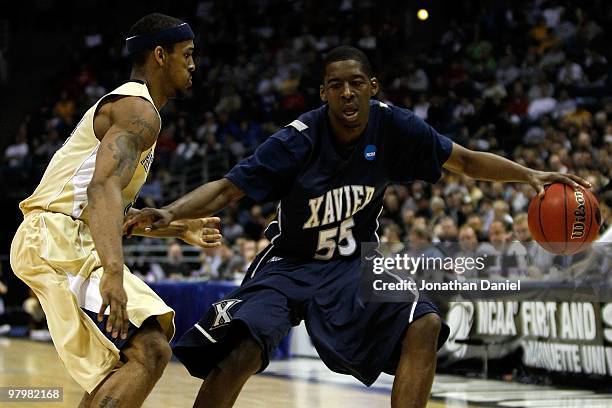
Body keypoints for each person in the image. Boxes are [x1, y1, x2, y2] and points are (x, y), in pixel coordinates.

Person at [127, 45, 590, 408]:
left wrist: (527, 174)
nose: (347, 93)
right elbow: (229, 188)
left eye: (355, 84)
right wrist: (171, 213)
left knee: (425, 325)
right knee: (243, 348)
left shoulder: (396, 127)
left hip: (353, 266)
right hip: (291, 261)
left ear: (372, 87)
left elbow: (465, 161)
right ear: (323, 93)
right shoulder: (297, 139)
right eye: (335, 86)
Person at [10, 14, 221, 408]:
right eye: (187, 54)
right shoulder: (138, 111)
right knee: (151, 349)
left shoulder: (136, 113)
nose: (193, 65)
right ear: (161, 55)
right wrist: (112, 272)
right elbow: (100, 188)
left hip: (61, 237)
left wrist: (176, 229)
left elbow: (105, 207)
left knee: (121, 367)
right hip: (56, 238)